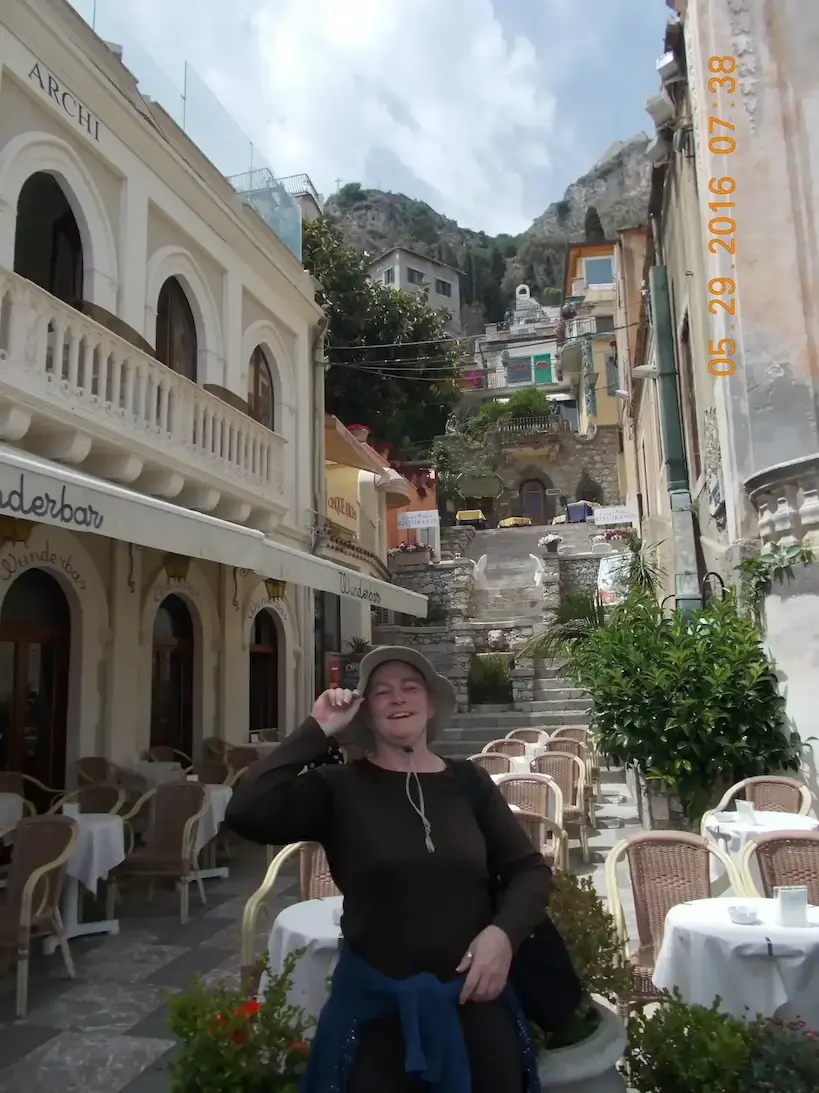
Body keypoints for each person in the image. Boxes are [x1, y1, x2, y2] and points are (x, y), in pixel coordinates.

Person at [225, 646, 550, 1092]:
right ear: (367, 712)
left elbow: (529, 870)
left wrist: (502, 936)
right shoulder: (338, 788)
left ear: (430, 704)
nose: (398, 699)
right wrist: (317, 728)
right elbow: (246, 810)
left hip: (475, 1006)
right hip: (376, 1016)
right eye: (382, 692)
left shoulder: (469, 783)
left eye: (410, 687)